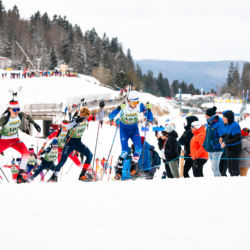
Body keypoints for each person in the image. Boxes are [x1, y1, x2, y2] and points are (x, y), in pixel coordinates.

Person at [109, 91, 153, 180]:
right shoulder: (124, 106)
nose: (135, 104)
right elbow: (110, 116)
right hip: (124, 130)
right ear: (128, 101)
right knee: (124, 151)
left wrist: (149, 110)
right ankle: (118, 171)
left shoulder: (140, 106)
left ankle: (133, 168)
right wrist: (118, 108)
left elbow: (150, 118)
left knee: (139, 149)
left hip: (134, 130)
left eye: (137, 102)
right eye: (134, 102)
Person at [48, 107, 97, 182]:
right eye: (84, 117)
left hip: (78, 143)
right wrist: (76, 121)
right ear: (80, 115)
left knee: (90, 155)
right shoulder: (75, 120)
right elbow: (67, 127)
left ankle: (82, 174)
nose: (85, 119)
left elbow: (100, 117)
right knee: (62, 161)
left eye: (87, 117)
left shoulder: (87, 118)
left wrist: (101, 108)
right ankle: (54, 175)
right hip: (69, 144)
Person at [0, 100, 41, 183]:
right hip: (3, 140)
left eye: (18, 109)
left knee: (26, 153)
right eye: (14, 110)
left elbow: (28, 116)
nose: (16, 111)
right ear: (9, 109)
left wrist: (35, 124)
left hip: (15, 140)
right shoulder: (4, 118)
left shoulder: (20, 115)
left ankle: (20, 175)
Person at [203, 107, 225, 177]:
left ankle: (218, 182)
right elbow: (207, 136)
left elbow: (223, 137)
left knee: (214, 168)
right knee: (213, 168)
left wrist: (213, 142)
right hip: (210, 148)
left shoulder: (219, 124)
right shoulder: (209, 123)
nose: (205, 116)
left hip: (217, 148)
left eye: (206, 115)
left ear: (210, 116)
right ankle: (217, 180)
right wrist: (205, 144)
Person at [220, 110, 242, 176]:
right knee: (230, 170)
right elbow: (228, 134)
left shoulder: (235, 125)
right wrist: (222, 136)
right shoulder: (228, 125)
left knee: (234, 170)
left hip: (234, 151)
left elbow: (237, 139)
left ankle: (236, 184)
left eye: (223, 117)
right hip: (229, 150)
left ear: (228, 117)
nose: (222, 118)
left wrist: (225, 143)